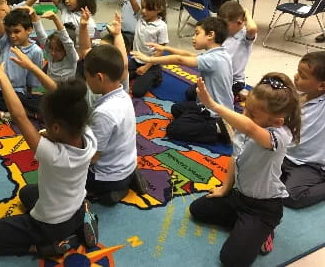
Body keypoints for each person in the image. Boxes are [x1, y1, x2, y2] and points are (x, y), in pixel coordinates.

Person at [0, 51, 99, 257]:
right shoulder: (88, 135)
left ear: (56, 128)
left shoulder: (53, 154)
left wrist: (3, 78)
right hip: (75, 209)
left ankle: (46, 246)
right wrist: (32, 67)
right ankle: (81, 222)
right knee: (27, 193)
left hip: (48, 224)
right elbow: (64, 98)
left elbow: (20, 117)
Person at [189, 73, 301, 266]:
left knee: (232, 260)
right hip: (239, 197)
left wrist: (214, 105)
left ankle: (263, 230)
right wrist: (225, 188)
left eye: (252, 114)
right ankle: (247, 229)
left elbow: (250, 129)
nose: (244, 115)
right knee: (197, 209)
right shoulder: (246, 126)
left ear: (277, 121)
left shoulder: (280, 136)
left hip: (263, 208)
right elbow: (235, 157)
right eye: (245, 108)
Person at [132, 17, 234, 143]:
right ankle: (208, 121)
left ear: (210, 35)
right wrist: (165, 49)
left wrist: (149, 60)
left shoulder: (213, 59)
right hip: (211, 105)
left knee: (173, 130)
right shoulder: (219, 54)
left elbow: (179, 60)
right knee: (176, 109)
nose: (193, 37)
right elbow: (188, 55)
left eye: (197, 33)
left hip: (216, 112)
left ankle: (218, 128)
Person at [84, 44, 145, 205]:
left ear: (99, 77)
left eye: (87, 77)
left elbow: (92, 158)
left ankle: (114, 190)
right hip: (128, 163)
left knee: (64, 171)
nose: (86, 82)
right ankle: (129, 177)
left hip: (108, 176)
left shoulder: (104, 113)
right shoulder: (123, 94)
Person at [281, 52, 325, 208]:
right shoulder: (297, 95)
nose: (296, 76)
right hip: (285, 155)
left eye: (303, 76)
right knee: (252, 173)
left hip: (309, 164)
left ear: (322, 86)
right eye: (298, 72)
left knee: (292, 197)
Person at [128, 0, 168, 97]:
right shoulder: (140, 17)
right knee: (118, 76)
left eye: (148, 9)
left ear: (159, 9)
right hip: (136, 61)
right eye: (143, 7)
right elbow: (133, 0)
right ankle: (138, 73)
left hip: (151, 64)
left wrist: (146, 67)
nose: (144, 11)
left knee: (137, 91)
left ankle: (156, 75)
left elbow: (160, 50)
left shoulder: (161, 26)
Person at [218, 1, 257, 101]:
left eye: (225, 25)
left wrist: (246, 15)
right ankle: (237, 94)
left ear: (239, 22)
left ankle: (238, 93)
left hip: (234, 80)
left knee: (217, 97)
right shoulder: (224, 34)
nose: (221, 27)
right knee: (191, 93)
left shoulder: (244, 37)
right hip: (219, 76)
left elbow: (252, 28)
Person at [32, 10, 78, 82]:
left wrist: (55, 19)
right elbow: (41, 36)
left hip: (67, 92)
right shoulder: (51, 55)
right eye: (51, 48)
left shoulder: (71, 59)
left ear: (66, 50)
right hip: (51, 91)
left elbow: (67, 42)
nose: (53, 52)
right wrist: (33, 15)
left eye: (58, 50)